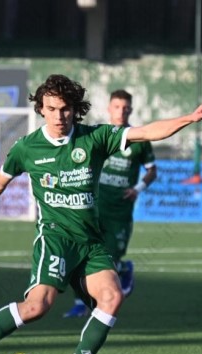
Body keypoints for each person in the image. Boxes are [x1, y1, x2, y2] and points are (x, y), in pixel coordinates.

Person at [0, 74, 202, 354]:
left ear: (75, 109)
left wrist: (189, 118)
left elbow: (147, 131)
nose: (59, 116)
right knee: (37, 306)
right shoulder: (27, 147)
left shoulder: (95, 137)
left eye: (65, 109)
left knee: (112, 297)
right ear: (41, 109)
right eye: (51, 109)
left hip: (91, 241)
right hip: (56, 237)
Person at [63, 89, 158, 318]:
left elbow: (152, 171)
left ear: (131, 110)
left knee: (110, 260)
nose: (121, 111)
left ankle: (123, 268)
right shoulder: (99, 135)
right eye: (117, 107)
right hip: (93, 207)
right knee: (81, 254)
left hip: (120, 211)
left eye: (125, 108)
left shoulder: (138, 140)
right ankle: (80, 303)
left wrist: (137, 189)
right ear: (109, 108)